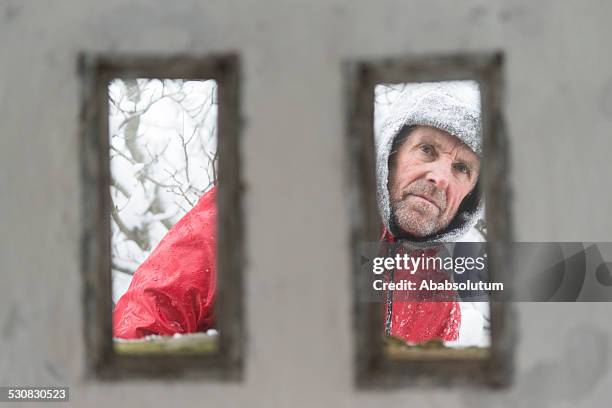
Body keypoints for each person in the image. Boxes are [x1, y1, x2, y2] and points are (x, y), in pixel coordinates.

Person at [375, 82, 484, 344]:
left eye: (461, 168)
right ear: (391, 156)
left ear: (470, 196)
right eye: (427, 150)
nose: (439, 178)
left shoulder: (443, 303)